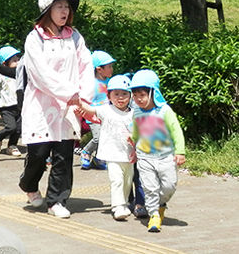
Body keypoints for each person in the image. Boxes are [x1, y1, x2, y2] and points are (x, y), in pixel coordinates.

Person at [18, 0, 94, 218]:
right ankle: (28, 184)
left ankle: (56, 200)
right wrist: (69, 91)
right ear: (47, 11)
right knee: (39, 154)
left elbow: (86, 65)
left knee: (64, 155)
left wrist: (84, 96)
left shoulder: (74, 36)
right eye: (59, 6)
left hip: (69, 107)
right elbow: (40, 73)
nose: (64, 11)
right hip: (41, 105)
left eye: (67, 6)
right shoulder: (35, 38)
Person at [130, 69, 186, 232]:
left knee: (169, 186)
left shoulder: (164, 111)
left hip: (165, 157)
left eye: (142, 95)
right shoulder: (137, 111)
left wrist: (180, 151)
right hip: (145, 157)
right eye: (135, 96)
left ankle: (161, 204)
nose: (138, 99)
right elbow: (136, 131)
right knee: (149, 188)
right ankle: (154, 215)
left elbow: (176, 131)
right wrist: (133, 146)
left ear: (153, 92)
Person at [76, 75, 136, 221]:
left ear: (130, 96)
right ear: (109, 95)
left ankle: (125, 202)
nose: (120, 98)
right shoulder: (106, 110)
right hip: (112, 154)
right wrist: (77, 102)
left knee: (128, 181)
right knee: (117, 180)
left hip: (128, 155)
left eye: (124, 94)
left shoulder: (134, 113)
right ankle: (117, 206)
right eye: (116, 94)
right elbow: (90, 109)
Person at [80, 50, 116, 170]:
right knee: (98, 137)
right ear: (99, 69)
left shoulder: (110, 82)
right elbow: (84, 100)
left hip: (106, 114)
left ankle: (98, 158)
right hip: (93, 115)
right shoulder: (91, 83)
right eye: (109, 67)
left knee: (107, 137)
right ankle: (86, 152)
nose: (112, 69)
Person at [0, 46, 22, 157]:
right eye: (14, 61)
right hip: (6, 107)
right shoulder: (1, 75)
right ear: (4, 63)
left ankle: (12, 146)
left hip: (20, 106)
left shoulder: (21, 75)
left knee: (18, 129)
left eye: (18, 60)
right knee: (11, 127)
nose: (18, 62)